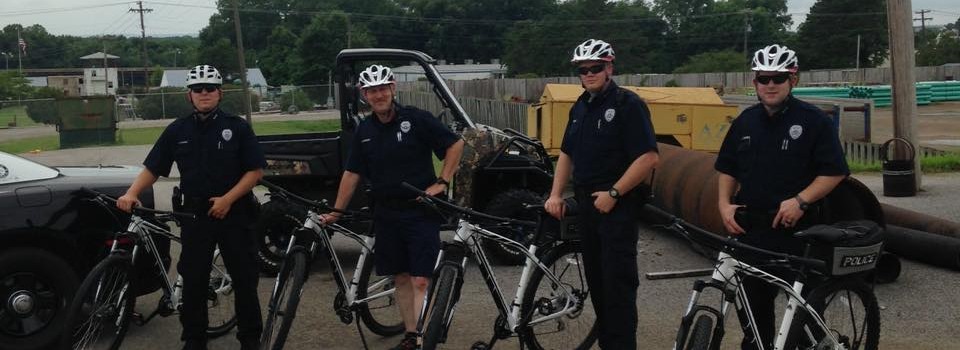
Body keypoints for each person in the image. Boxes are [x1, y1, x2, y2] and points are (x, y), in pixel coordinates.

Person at [117, 64, 265, 350]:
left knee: (244, 279)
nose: (204, 93)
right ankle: (194, 339)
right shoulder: (177, 130)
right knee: (194, 281)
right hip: (196, 216)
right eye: (198, 89)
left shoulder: (237, 127)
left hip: (234, 214)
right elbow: (154, 167)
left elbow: (255, 172)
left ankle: (250, 339)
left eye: (210, 88)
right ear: (190, 96)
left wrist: (227, 200)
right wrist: (132, 192)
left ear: (220, 93)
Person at [714, 44, 849, 350]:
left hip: (799, 235)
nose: (771, 84)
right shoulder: (745, 122)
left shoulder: (814, 121)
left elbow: (835, 172)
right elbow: (727, 169)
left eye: (778, 77)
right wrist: (723, 204)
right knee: (754, 324)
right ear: (755, 83)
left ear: (793, 80)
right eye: (764, 78)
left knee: (802, 329)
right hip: (752, 233)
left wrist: (801, 200)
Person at [321, 64, 465, 350]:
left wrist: (442, 181)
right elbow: (352, 174)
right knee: (400, 276)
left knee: (421, 279)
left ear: (393, 88)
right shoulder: (364, 130)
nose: (378, 95)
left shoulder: (416, 119)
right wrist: (337, 212)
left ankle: (425, 339)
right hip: (386, 213)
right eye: (372, 91)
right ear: (364, 95)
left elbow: (455, 144)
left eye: (382, 88)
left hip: (419, 210)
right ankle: (411, 335)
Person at [544, 39, 659, 349]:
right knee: (597, 287)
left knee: (618, 289)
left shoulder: (627, 104)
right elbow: (566, 154)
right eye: (583, 69)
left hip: (616, 207)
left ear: (609, 67)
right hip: (587, 204)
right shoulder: (579, 105)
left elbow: (648, 157)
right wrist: (555, 194)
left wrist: (614, 192)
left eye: (596, 68)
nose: (589, 73)